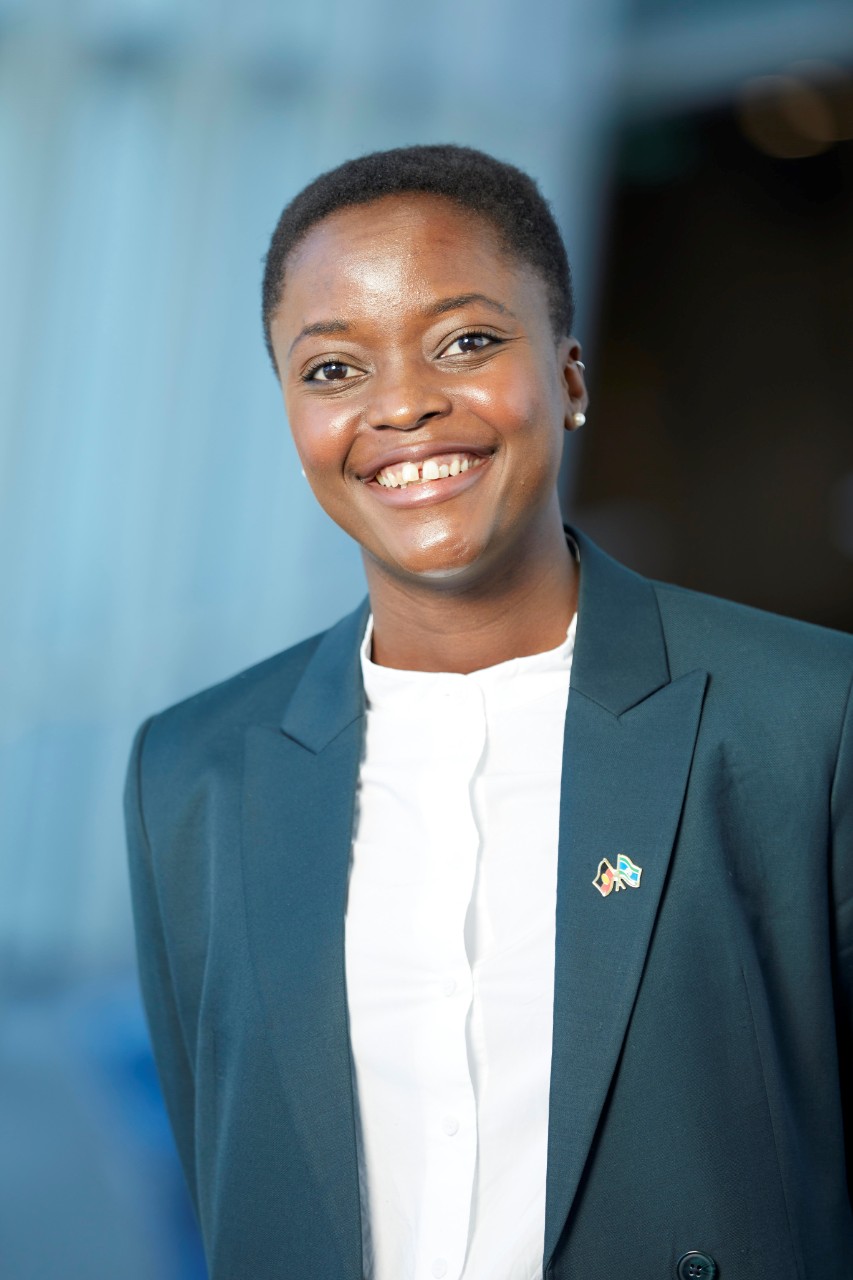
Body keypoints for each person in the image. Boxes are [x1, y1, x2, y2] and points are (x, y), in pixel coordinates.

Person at [125, 144, 853, 1280]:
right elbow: (233, 1180)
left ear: (568, 376)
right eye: (330, 370)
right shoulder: (193, 770)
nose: (403, 405)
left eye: (466, 341)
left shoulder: (805, 718)